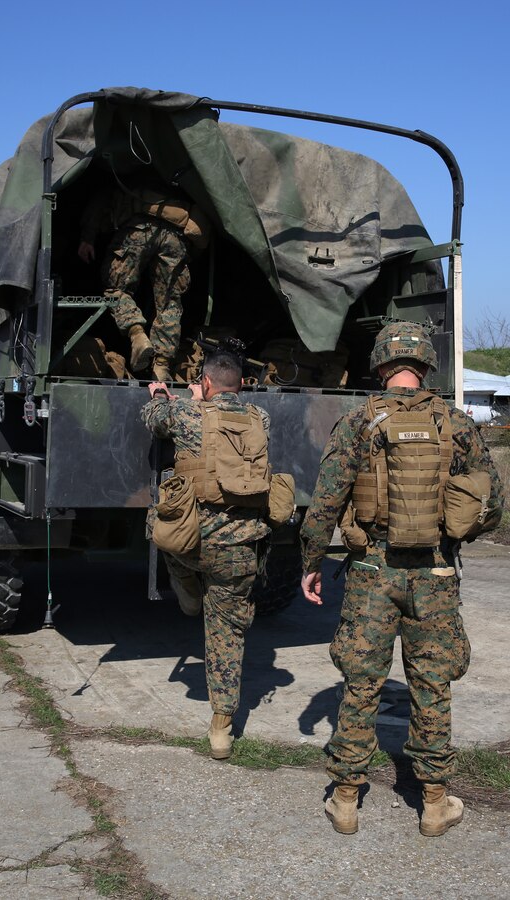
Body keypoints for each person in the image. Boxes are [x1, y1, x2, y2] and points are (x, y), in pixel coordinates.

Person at [300, 321, 505, 837]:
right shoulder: (456, 424)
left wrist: (309, 564)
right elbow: (492, 502)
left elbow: (324, 502)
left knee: (361, 682)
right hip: (435, 572)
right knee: (432, 684)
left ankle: (346, 798)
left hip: (372, 571)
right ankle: (434, 802)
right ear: (424, 364)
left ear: (381, 364)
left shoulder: (357, 422)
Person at [142, 342, 271, 758]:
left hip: (192, 545)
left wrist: (170, 395)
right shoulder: (259, 417)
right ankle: (221, 727)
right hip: (241, 548)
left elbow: (153, 420)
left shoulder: (185, 412)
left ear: (207, 381)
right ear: (241, 385)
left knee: (159, 528)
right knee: (226, 635)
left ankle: (187, 592)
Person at [79, 183, 209, 381]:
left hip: (138, 228)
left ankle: (137, 334)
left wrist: (87, 237)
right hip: (175, 236)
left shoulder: (131, 163)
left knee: (115, 288)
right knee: (169, 304)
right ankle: (162, 366)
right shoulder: (183, 173)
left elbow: (101, 198)